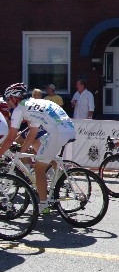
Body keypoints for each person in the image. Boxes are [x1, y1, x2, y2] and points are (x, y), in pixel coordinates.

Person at [0, 83, 75, 215]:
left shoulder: (19, 110)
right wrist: (22, 152)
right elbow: (32, 133)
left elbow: (11, 136)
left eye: (8, 99)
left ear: (14, 98)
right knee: (43, 156)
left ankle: (43, 204)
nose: (7, 103)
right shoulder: (33, 104)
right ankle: (56, 182)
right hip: (67, 128)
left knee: (38, 168)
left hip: (57, 131)